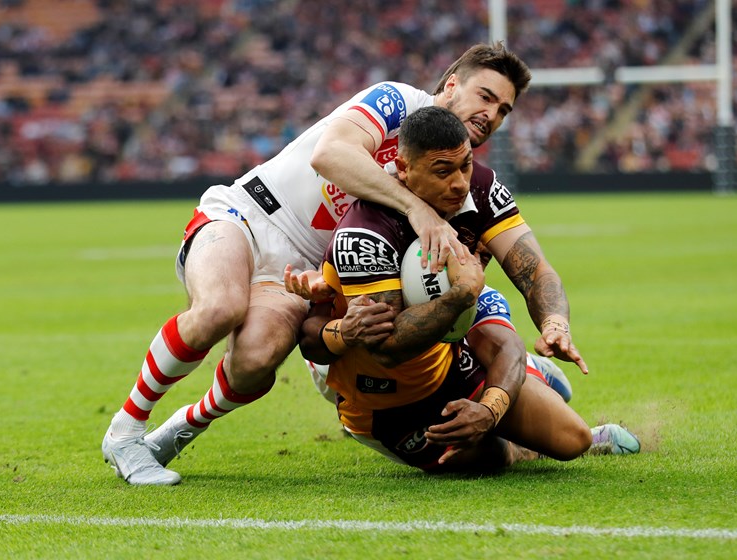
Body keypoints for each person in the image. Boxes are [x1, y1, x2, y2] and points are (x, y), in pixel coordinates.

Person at [101, 43, 535, 485]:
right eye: (485, 96)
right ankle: (127, 430)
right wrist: (416, 209)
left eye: (503, 110)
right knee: (221, 307)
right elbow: (329, 155)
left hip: (299, 268)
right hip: (247, 214)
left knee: (257, 357)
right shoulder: (397, 100)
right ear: (451, 84)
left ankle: (182, 427)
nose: (491, 114)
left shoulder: (448, 170)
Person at [295, 106, 613, 471]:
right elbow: (388, 349)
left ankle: (522, 370)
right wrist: (461, 294)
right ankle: (518, 416)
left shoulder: (482, 188)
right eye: (442, 171)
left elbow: (535, 270)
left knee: (575, 440)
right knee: (489, 457)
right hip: (382, 399)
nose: (460, 183)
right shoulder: (366, 233)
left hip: (452, 349)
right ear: (403, 168)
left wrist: (554, 325)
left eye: (465, 164)